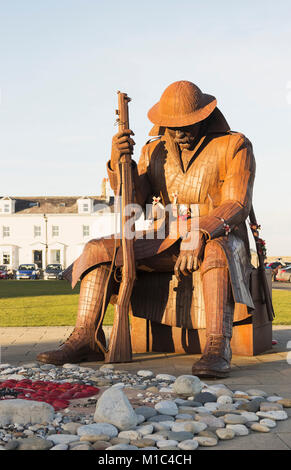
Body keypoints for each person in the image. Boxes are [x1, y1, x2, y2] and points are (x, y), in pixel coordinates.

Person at [37, 80, 256, 378]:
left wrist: (200, 233)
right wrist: (119, 163)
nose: (179, 133)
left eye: (187, 125)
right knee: (98, 250)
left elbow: (236, 203)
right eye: (173, 126)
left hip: (218, 236)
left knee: (217, 250)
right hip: (164, 238)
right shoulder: (154, 150)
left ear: (204, 116)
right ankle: (86, 337)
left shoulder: (234, 144)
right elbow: (134, 202)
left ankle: (217, 346)